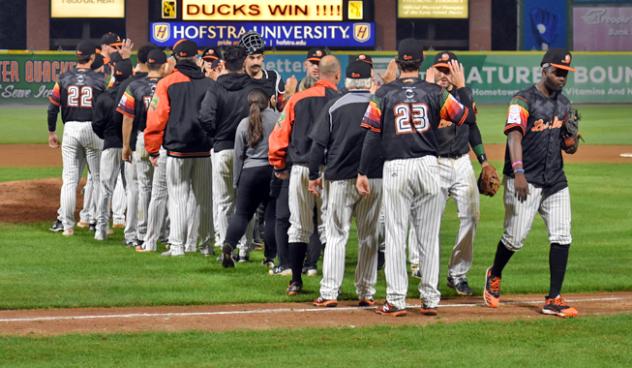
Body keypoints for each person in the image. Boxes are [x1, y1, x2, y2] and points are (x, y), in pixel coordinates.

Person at [357, 38, 476, 316]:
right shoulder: (435, 92)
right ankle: (430, 299)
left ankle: (396, 300)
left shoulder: (384, 93)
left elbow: (371, 136)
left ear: (398, 64)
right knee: (429, 235)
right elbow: (465, 118)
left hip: (396, 167)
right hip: (428, 165)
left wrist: (363, 171)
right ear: (421, 64)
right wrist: (461, 88)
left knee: (397, 234)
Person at [483, 49, 579, 318]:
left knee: (562, 235)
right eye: (558, 72)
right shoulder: (522, 100)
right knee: (514, 239)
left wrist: (570, 144)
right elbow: (514, 137)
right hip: (524, 179)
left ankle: (554, 298)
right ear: (544, 69)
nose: (562, 77)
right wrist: (518, 172)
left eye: (566, 73)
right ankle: (495, 273)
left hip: (555, 181)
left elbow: (565, 144)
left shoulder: (564, 103)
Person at [309, 60, 383, 307]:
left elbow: (318, 145)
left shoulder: (335, 105)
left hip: (339, 178)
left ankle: (330, 292)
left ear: (346, 81)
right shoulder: (378, 103)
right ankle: (366, 292)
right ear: (369, 80)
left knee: (336, 235)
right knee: (369, 236)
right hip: (373, 179)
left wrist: (312, 175)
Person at [423, 51, 497, 296]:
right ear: (432, 71)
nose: (444, 75)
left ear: (457, 73)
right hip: (433, 163)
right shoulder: (426, 96)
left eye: (449, 70)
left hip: (462, 163)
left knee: (471, 216)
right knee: (428, 223)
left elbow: (472, 126)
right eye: (440, 69)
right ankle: (426, 274)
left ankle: (457, 274)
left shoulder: (464, 96)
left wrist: (484, 161)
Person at [268, 55, 341, 296]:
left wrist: (278, 164)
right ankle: (331, 283)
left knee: (298, 225)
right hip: (332, 170)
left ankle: (296, 281)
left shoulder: (297, 99)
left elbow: (279, 135)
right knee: (331, 228)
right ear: (338, 76)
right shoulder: (342, 101)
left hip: (300, 168)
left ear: (316, 74)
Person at [145, 39, 214, 257]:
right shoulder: (210, 84)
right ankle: (206, 246)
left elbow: (156, 118)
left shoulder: (166, 83)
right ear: (196, 58)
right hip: (204, 150)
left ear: (175, 57)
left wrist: (153, 149)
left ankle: (177, 247)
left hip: (177, 150)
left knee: (178, 197)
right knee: (204, 200)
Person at [199, 45, 264, 261]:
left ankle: (228, 247)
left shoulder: (216, 88)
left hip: (223, 149)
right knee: (247, 203)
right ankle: (245, 249)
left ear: (224, 64)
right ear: (244, 61)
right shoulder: (253, 87)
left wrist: (216, 135)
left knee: (225, 202)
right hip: (248, 152)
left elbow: (205, 117)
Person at [47, 40, 106, 237]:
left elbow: (52, 107)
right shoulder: (100, 79)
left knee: (69, 180)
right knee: (98, 179)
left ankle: (67, 226)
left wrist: (51, 132)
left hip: (70, 129)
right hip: (93, 129)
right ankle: (97, 224)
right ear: (92, 57)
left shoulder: (63, 78)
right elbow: (107, 106)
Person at [117, 48, 169, 250]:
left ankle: (141, 233)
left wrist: (125, 146)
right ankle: (162, 233)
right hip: (164, 141)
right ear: (164, 65)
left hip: (141, 139)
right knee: (164, 190)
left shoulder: (134, 85)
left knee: (143, 187)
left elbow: (127, 118)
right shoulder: (169, 85)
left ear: (147, 64)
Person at [221, 88, 279, 267]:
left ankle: (228, 247)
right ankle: (269, 259)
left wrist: (237, 181)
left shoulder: (243, 124)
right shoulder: (278, 119)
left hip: (249, 173)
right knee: (272, 216)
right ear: (268, 102)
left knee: (242, 214)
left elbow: (239, 155)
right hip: (273, 171)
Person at [91, 60, 133, 240]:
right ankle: (133, 232)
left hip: (109, 145)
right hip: (129, 147)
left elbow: (96, 125)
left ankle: (101, 230)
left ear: (114, 75)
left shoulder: (104, 97)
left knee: (105, 188)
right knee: (132, 189)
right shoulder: (133, 95)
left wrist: (106, 136)